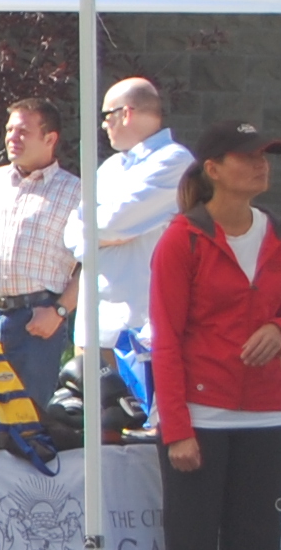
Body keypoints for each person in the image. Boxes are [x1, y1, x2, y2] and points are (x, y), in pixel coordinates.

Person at [149, 123, 281, 550]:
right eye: (247, 157)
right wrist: (178, 428)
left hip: (264, 414)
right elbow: (165, 339)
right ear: (213, 169)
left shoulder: (280, 234)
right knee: (191, 544)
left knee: (254, 544)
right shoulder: (182, 238)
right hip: (200, 416)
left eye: (266, 157)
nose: (261, 166)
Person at [0, 97, 84, 411]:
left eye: (23, 131)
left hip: (37, 323)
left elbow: (90, 264)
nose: (12, 137)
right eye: (9, 130)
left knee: (29, 417)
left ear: (49, 139)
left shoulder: (77, 192)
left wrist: (59, 311)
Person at [68, 76, 192, 418]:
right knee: (97, 429)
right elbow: (71, 233)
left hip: (140, 327)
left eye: (106, 115)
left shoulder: (174, 161)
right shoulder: (110, 167)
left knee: (145, 428)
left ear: (127, 113)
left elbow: (110, 222)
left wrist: (99, 231)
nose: (103, 125)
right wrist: (102, 232)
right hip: (95, 324)